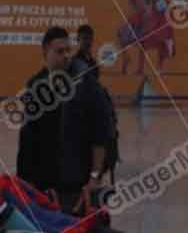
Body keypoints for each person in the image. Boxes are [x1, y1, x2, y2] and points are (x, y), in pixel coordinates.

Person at [16, 26, 114, 215]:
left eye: (68, 50)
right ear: (45, 52)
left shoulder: (87, 84)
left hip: (77, 186)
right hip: (45, 187)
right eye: (59, 51)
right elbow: (28, 139)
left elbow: (101, 134)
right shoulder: (34, 86)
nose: (66, 55)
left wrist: (94, 178)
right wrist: (25, 184)